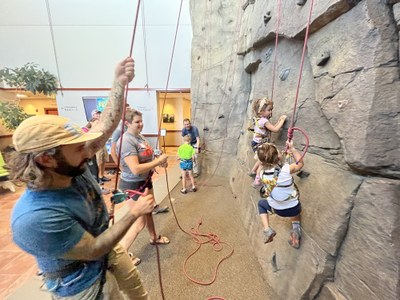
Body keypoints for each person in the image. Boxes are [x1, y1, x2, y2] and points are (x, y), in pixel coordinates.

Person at [10, 57, 153, 299]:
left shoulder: (68, 164)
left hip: (107, 246)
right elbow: (93, 249)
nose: (88, 152)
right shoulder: (34, 218)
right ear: (46, 159)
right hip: (79, 282)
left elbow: (104, 128)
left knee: (136, 289)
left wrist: (118, 83)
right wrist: (135, 212)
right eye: (78, 148)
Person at [117, 108, 170, 253]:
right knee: (139, 221)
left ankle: (154, 238)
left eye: (141, 121)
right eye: (137, 122)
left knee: (149, 210)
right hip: (132, 184)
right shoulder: (126, 141)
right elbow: (135, 168)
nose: (141, 124)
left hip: (145, 181)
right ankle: (122, 253)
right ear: (127, 123)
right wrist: (157, 162)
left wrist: (160, 161)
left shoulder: (141, 137)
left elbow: (150, 157)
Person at [256, 140, 304, 249]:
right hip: (294, 208)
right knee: (293, 207)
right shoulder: (287, 169)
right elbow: (300, 164)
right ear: (278, 157)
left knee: (261, 204)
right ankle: (296, 228)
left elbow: (267, 166)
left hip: (277, 210)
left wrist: (278, 157)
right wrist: (293, 149)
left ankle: (267, 229)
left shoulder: (261, 173)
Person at [248, 97, 287, 187]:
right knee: (264, 161)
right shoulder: (264, 121)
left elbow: (272, 128)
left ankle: (253, 171)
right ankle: (257, 180)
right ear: (261, 111)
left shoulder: (260, 119)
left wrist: (279, 121)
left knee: (261, 159)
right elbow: (275, 129)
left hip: (257, 143)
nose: (271, 112)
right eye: (269, 110)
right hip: (260, 144)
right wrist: (282, 120)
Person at [90, 109, 112, 184]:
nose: (98, 115)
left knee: (103, 160)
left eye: (99, 113)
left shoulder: (102, 123)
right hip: (96, 145)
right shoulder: (93, 123)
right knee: (98, 161)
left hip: (103, 144)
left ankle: (101, 176)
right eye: (96, 114)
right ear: (93, 115)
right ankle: (98, 177)